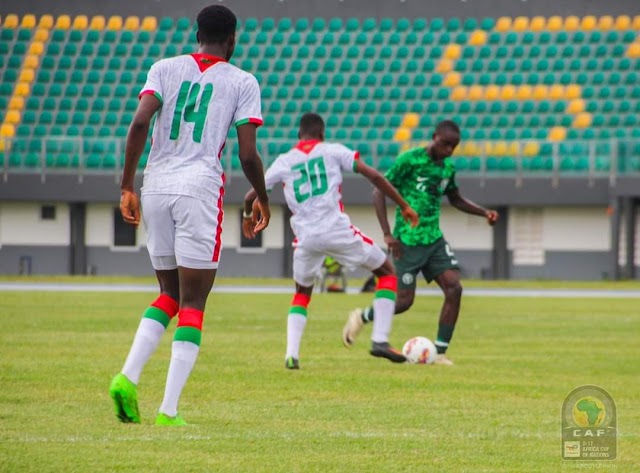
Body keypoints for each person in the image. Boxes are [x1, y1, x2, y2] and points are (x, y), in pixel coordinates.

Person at [109, 5, 270, 426]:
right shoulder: (242, 81)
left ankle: (128, 377)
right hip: (199, 187)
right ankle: (168, 410)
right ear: (232, 39)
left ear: (196, 33)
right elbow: (248, 153)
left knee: (169, 294)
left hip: (156, 183)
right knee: (194, 301)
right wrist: (264, 197)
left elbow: (140, 121)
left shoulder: (164, 67)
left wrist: (127, 184)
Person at [243, 113, 419, 369]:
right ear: (322, 134)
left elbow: (251, 195)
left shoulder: (284, 161)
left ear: (298, 136)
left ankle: (291, 355)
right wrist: (403, 204)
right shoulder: (333, 151)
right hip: (336, 230)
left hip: (306, 238)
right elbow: (375, 177)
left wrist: (249, 216)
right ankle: (380, 340)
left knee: (302, 294)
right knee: (387, 273)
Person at [343, 120, 499, 365]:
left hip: (434, 240)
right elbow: (378, 191)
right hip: (406, 241)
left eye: (454, 147)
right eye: (445, 144)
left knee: (454, 288)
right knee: (404, 302)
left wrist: (484, 213)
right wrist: (387, 234)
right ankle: (362, 317)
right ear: (434, 136)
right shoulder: (409, 160)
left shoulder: (447, 167)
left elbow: (455, 198)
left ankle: (439, 352)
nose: (449, 150)